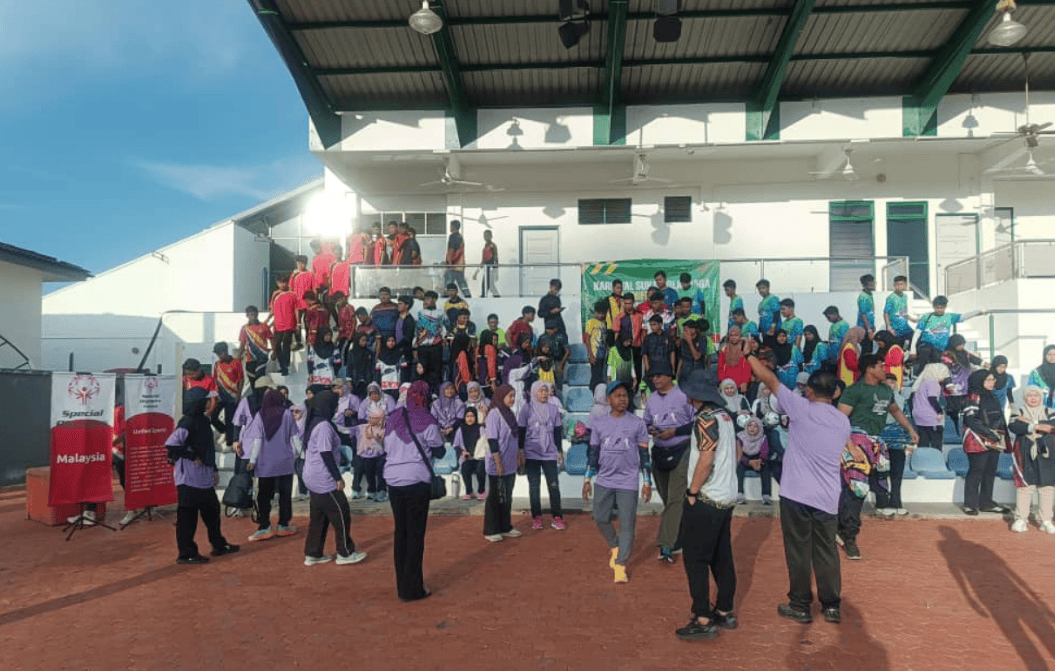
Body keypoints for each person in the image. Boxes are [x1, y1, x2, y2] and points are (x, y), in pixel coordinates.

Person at [743, 344, 850, 625]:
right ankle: (831, 606)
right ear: (834, 393)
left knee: (798, 551)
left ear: (810, 391)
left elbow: (769, 379)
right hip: (827, 497)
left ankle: (801, 605)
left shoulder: (800, 408)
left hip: (796, 494)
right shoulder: (842, 421)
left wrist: (748, 355)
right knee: (826, 551)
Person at [675, 368, 739, 640]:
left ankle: (702, 618)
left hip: (707, 498)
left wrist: (692, 491)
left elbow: (706, 458)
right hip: (726, 496)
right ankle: (724, 610)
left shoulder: (705, 418)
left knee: (696, 559)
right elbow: (736, 450)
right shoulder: (725, 416)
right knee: (722, 556)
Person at [836, 354, 918, 557]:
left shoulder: (885, 390)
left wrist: (910, 429)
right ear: (869, 369)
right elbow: (839, 421)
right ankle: (849, 536)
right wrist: (850, 448)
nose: (884, 369)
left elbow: (896, 411)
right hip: (856, 441)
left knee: (869, 488)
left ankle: (840, 527)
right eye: (880, 366)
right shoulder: (854, 391)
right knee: (857, 489)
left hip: (875, 443)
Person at [582, 380, 653, 583]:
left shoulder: (637, 423)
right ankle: (615, 545)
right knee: (600, 517)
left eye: (625, 395)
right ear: (608, 399)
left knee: (627, 523)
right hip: (604, 479)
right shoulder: (599, 423)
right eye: (617, 395)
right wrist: (587, 479)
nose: (622, 399)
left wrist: (647, 482)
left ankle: (621, 564)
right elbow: (593, 454)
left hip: (628, 481)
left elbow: (644, 455)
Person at [164, 388, 240, 565]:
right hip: (188, 478)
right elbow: (171, 444)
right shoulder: (187, 422)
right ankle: (186, 553)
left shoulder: (203, 420)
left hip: (204, 476)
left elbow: (208, 448)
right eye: (206, 400)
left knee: (212, 513)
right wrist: (192, 455)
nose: (208, 403)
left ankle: (218, 544)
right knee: (187, 517)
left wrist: (213, 470)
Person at [384, 381, 444, 601]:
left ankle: (403, 586)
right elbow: (438, 450)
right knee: (415, 535)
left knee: (401, 532)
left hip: (393, 481)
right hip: (416, 480)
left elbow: (385, 447)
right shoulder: (427, 419)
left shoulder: (392, 418)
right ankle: (414, 588)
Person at [300, 390, 367, 567]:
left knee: (319, 516)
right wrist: (337, 478)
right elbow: (326, 453)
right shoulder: (323, 426)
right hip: (323, 476)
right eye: (334, 405)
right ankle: (345, 552)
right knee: (341, 512)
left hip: (311, 474)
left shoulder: (314, 422)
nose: (336, 409)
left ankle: (313, 552)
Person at [643, 361, 695, 563]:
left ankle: (666, 545)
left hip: (682, 448)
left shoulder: (684, 395)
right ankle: (681, 536)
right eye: (653, 376)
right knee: (668, 499)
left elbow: (697, 422)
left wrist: (675, 431)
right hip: (659, 451)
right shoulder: (651, 400)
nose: (655, 379)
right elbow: (646, 422)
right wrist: (651, 429)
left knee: (674, 499)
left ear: (669, 377)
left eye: (659, 375)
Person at [243, 389, 301, 542]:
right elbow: (295, 437)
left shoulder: (260, 415)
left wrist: (252, 461)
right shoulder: (287, 414)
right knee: (285, 495)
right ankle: (283, 524)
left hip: (265, 464)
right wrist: (302, 454)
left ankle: (265, 526)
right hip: (285, 462)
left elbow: (257, 441)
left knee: (264, 495)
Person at [961, 369, 1012, 516]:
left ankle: (986, 503)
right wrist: (990, 434)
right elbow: (971, 420)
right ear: (980, 381)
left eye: (993, 380)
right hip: (976, 438)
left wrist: (1001, 436)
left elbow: (999, 417)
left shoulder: (992, 396)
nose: (992, 382)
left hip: (994, 439)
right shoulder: (972, 397)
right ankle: (970, 504)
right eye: (989, 380)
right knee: (976, 470)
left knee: (990, 471)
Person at [1008, 386, 1055, 533]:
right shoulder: (1018, 412)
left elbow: (1052, 427)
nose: (1033, 398)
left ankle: (1046, 520)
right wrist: (1039, 425)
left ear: (1041, 397)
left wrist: (1030, 423)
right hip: (1024, 452)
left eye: (1036, 396)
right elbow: (1014, 426)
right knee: (1024, 486)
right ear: (1025, 398)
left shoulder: (1050, 411)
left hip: (1046, 453)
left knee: (1047, 486)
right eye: (1030, 396)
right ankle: (1021, 519)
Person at [519, 381, 565, 530]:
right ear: (534, 392)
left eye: (546, 390)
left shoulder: (553, 409)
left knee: (553, 485)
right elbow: (521, 431)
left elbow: (557, 431)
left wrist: (559, 450)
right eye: (541, 391)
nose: (544, 394)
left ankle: (557, 517)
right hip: (531, 452)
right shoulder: (527, 408)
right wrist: (520, 450)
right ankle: (537, 517)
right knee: (534, 486)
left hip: (549, 452)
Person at [484, 384, 521, 543]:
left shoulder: (510, 413)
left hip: (510, 463)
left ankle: (505, 526)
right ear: (501, 396)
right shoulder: (494, 414)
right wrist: (498, 463)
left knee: (506, 496)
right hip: (497, 463)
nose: (512, 399)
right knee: (495, 497)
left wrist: (519, 454)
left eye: (514, 396)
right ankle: (491, 529)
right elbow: (492, 440)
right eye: (509, 396)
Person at [878, 373, 914, 516]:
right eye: (887, 383)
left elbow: (907, 421)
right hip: (880, 443)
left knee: (897, 475)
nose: (890, 386)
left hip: (898, 443)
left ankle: (896, 503)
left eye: (893, 383)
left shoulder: (902, 401)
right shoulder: (876, 401)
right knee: (880, 474)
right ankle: (882, 503)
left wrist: (909, 442)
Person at [915, 296, 983, 370]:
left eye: (941, 308)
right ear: (934, 307)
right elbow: (917, 332)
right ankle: (918, 372)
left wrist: (978, 311)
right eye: (937, 307)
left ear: (945, 307)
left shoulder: (949, 317)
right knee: (927, 352)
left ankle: (981, 363)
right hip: (927, 346)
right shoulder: (927, 317)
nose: (939, 310)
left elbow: (963, 317)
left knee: (958, 353)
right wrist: (913, 350)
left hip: (941, 348)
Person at [941, 334, 982, 433]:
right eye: (959, 345)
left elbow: (976, 360)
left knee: (966, 411)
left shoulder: (966, 354)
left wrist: (983, 363)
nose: (961, 347)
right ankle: (954, 432)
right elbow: (945, 370)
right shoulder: (946, 356)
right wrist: (948, 383)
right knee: (952, 412)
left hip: (965, 387)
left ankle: (965, 432)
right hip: (952, 389)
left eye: (963, 344)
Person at [911, 363, 951, 453]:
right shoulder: (933, 382)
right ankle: (936, 459)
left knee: (923, 443)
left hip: (919, 417)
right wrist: (940, 412)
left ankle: (922, 460)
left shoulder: (920, 382)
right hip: (931, 417)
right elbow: (932, 398)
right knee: (936, 445)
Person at [211, 342, 244, 447]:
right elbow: (215, 380)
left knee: (229, 420)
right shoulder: (217, 364)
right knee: (213, 417)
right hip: (220, 396)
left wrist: (238, 395)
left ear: (225, 351)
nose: (219, 356)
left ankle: (230, 442)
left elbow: (241, 379)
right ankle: (225, 430)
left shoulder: (236, 363)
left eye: (220, 353)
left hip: (232, 397)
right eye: (217, 354)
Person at [735, 417, 770, 505]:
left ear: (759, 428)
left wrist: (760, 461)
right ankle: (739, 494)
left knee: (766, 467)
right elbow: (738, 454)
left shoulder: (763, 438)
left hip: (757, 460)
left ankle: (766, 495)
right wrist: (749, 462)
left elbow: (764, 452)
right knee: (739, 468)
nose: (752, 428)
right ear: (746, 427)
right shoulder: (740, 436)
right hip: (744, 460)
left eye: (755, 426)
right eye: (750, 425)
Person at [415, 290, 445, 392]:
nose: (428, 301)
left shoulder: (441, 313)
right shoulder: (420, 313)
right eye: (426, 299)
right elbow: (418, 330)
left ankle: (435, 392)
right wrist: (415, 347)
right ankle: (423, 392)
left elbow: (446, 327)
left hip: (436, 346)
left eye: (430, 299)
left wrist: (443, 338)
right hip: (423, 346)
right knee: (422, 370)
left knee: (436, 370)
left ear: (435, 300)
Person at [454, 407, 487, 500]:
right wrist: (462, 452)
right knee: (465, 467)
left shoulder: (481, 428)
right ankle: (469, 492)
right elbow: (456, 445)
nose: (469, 418)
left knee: (480, 468)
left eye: (472, 416)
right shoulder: (461, 429)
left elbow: (485, 443)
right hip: (468, 457)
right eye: (467, 416)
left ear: (476, 417)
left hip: (480, 458)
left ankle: (481, 491)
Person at [357, 407, 387, 502]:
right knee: (369, 474)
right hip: (367, 455)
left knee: (381, 473)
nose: (372, 420)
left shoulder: (384, 428)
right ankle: (372, 491)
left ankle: (382, 491)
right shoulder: (364, 427)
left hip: (380, 455)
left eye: (375, 418)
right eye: (371, 418)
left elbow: (386, 441)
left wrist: (379, 438)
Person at [270, 276, 299, 376]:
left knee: (286, 345)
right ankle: (282, 365)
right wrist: (268, 321)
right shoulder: (275, 294)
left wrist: (298, 323)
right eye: (281, 282)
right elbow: (272, 310)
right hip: (277, 324)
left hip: (289, 324)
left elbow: (296, 309)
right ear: (277, 283)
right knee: (277, 345)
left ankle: (285, 366)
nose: (283, 284)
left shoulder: (293, 294)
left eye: (285, 282)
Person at [238, 306, 273, 387]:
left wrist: (274, 351)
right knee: (252, 382)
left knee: (260, 380)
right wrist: (238, 357)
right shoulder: (244, 328)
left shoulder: (264, 326)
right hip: (250, 359)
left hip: (262, 358)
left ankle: (260, 393)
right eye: (250, 315)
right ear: (247, 316)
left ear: (257, 314)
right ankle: (256, 394)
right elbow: (242, 344)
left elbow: (272, 338)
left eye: (254, 314)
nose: (252, 317)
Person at [616, 294, 644, 390]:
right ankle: (627, 391)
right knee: (626, 371)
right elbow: (616, 334)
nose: (628, 306)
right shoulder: (619, 317)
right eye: (626, 303)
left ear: (633, 303)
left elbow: (643, 331)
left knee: (638, 370)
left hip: (637, 346)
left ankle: (636, 391)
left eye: (630, 303)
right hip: (624, 348)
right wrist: (622, 343)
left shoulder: (639, 315)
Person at [537, 319, 570, 394]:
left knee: (558, 383)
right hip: (545, 361)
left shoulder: (561, 337)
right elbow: (537, 350)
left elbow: (567, 351)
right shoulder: (542, 337)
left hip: (557, 361)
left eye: (551, 329)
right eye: (547, 329)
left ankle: (558, 397)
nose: (549, 331)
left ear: (556, 329)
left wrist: (561, 364)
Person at [642, 315, 675, 389]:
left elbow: (672, 352)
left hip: (666, 369)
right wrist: (648, 369)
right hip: (653, 369)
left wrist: (672, 368)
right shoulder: (648, 338)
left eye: (654, 324)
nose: (652, 327)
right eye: (651, 325)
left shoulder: (668, 337)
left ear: (660, 324)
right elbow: (645, 354)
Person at [883, 275, 914, 350]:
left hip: (905, 328)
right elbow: (886, 312)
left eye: (901, 284)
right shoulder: (891, 298)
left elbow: (903, 312)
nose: (898, 286)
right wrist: (888, 327)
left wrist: (911, 318)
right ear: (894, 285)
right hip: (896, 330)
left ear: (905, 285)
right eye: (897, 284)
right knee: (897, 349)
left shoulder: (905, 296)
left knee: (913, 342)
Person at [584, 300, 609, 391]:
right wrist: (591, 355)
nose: (601, 315)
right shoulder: (591, 322)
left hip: (604, 355)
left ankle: (600, 394)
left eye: (603, 313)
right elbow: (587, 339)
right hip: (595, 354)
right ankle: (593, 394)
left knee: (602, 378)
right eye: (599, 313)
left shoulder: (605, 323)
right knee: (595, 377)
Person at [717, 327, 751, 392]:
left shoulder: (744, 350)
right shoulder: (724, 351)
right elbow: (720, 368)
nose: (733, 337)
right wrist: (722, 381)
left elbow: (747, 368)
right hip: (727, 385)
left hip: (740, 385)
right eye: (731, 335)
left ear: (740, 336)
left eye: (736, 335)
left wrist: (745, 382)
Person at [677, 317, 709, 385]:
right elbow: (681, 359)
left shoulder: (702, 340)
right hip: (685, 373)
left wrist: (690, 342)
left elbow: (697, 357)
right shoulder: (683, 342)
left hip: (697, 373)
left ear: (693, 330)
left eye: (686, 330)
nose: (684, 333)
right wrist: (678, 375)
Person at [433, 381, 465, 447]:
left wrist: (451, 428)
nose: (449, 391)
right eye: (447, 389)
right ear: (442, 390)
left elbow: (460, 418)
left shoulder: (459, 403)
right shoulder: (436, 403)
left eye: (452, 388)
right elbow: (433, 419)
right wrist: (441, 428)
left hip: (455, 429)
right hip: (440, 430)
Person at [444, 220, 470, 297]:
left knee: (449, 282)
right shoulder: (460, 237)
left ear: (453, 227)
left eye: (451, 226)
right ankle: (468, 296)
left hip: (453, 264)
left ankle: (446, 296)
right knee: (461, 282)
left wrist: (450, 261)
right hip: (460, 264)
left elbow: (451, 250)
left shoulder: (452, 236)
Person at [1026, 345, 1055, 409]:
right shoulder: (1036, 372)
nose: (1052, 357)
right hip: (1042, 407)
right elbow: (1031, 389)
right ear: (1045, 355)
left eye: (1054, 354)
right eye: (1049, 354)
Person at [823, 306, 849, 371]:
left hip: (839, 354)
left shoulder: (843, 325)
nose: (828, 319)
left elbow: (845, 340)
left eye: (829, 317)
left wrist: (840, 354)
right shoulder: (832, 325)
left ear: (835, 314)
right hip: (832, 355)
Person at [475, 229, 500, 297]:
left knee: (489, 284)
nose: (486, 237)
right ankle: (486, 295)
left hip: (491, 267)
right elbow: (483, 260)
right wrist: (476, 272)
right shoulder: (485, 246)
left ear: (491, 236)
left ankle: (489, 296)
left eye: (488, 235)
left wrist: (496, 271)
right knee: (488, 284)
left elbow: (496, 258)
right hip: (486, 267)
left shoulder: (492, 246)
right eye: (485, 235)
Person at [857, 273, 877, 352]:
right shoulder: (863, 297)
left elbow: (870, 312)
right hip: (864, 329)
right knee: (866, 351)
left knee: (870, 350)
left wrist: (872, 326)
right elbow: (863, 314)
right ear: (866, 285)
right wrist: (869, 330)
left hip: (869, 328)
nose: (874, 285)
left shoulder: (870, 295)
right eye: (872, 283)